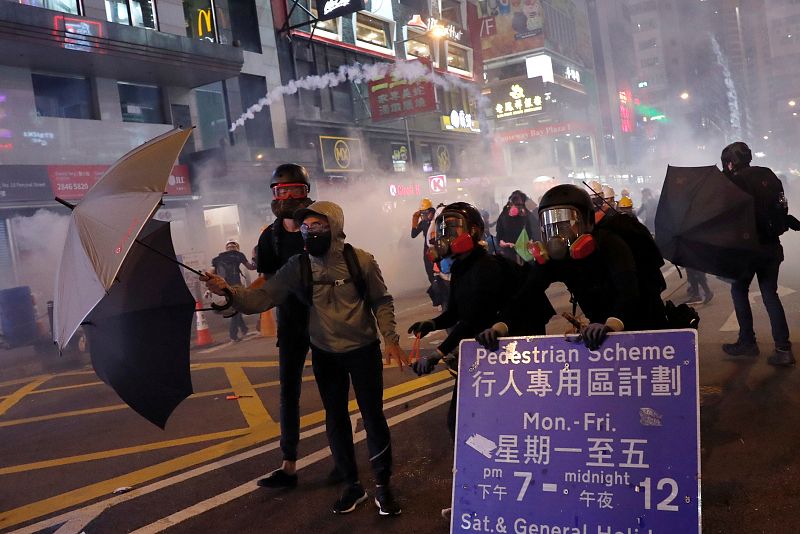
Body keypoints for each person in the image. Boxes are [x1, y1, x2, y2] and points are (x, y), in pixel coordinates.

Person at [203, 201, 406, 516]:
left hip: (363, 351)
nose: (310, 232)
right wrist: (228, 291)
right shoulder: (298, 266)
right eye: (306, 228)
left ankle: (383, 485)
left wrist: (390, 338)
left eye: (318, 226)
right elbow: (262, 297)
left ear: (334, 227)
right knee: (335, 419)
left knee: (373, 417)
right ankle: (352, 486)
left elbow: (381, 300)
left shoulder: (361, 261)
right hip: (325, 353)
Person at [408, 203, 554, 437]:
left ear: (474, 231)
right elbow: (456, 312)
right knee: (464, 417)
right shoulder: (461, 268)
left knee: (512, 413)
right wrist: (433, 324)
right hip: (490, 343)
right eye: (443, 230)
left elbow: (473, 319)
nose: (445, 237)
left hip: (515, 343)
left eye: (452, 229)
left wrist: (437, 353)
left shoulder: (486, 267)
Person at [478, 184, 668, 351]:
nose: (559, 234)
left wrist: (611, 324)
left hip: (646, 328)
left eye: (567, 224)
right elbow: (526, 294)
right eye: (552, 226)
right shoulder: (557, 259)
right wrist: (499, 327)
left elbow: (629, 292)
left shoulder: (610, 244)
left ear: (588, 222)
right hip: (601, 332)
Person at [253, 163, 315, 489]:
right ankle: (288, 465)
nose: (289, 198)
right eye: (282, 191)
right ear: (274, 196)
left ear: (306, 192)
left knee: (333, 393)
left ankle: (345, 467)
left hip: (324, 323)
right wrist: (231, 295)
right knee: (288, 394)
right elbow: (267, 284)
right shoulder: (270, 237)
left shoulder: (318, 227)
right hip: (290, 325)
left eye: (295, 190)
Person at [720, 142, 796, 366]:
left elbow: (728, 218)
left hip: (747, 250)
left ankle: (747, 342)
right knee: (770, 294)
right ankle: (783, 349)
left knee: (739, 290)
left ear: (730, 163)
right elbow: (781, 206)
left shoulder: (734, 181)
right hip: (771, 247)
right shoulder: (768, 175)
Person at [211, 240, 256, 342]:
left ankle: (244, 329)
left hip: (225, 287)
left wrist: (210, 287)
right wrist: (256, 260)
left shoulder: (218, 258)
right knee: (236, 309)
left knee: (237, 307)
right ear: (236, 248)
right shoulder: (238, 255)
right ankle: (233, 335)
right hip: (236, 287)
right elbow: (250, 267)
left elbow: (211, 272)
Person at [495, 190, 537, 264]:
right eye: (514, 204)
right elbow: (499, 237)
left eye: (519, 205)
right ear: (510, 204)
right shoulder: (503, 216)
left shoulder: (527, 216)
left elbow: (534, 233)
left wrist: (531, 242)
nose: (517, 207)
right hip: (510, 256)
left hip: (525, 255)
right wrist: (505, 244)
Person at [411, 198, 438, 304]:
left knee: (438, 272)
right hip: (427, 251)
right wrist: (414, 220)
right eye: (422, 213)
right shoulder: (423, 222)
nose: (424, 215)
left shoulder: (437, 220)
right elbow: (413, 234)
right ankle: (438, 295)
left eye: (425, 213)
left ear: (431, 211)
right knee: (430, 273)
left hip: (437, 248)